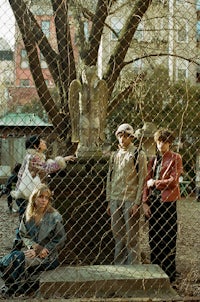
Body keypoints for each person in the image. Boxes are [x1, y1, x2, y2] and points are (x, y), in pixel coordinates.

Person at [0, 184, 66, 298]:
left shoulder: (55, 216)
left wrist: (43, 249)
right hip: (32, 252)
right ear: (34, 198)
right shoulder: (28, 215)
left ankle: (12, 288)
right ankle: (16, 288)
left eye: (46, 197)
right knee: (14, 258)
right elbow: (23, 234)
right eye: (41, 196)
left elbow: (61, 238)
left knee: (17, 260)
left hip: (48, 256)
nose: (44, 200)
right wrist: (34, 247)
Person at [13, 135, 75, 249]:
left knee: (28, 218)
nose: (44, 142)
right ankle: (18, 245)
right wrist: (62, 160)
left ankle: (24, 244)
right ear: (36, 146)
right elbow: (47, 168)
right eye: (41, 141)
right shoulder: (34, 157)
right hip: (27, 195)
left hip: (26, 194)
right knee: (26, 219)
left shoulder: (33, 156)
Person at [142, 128, 183, 283]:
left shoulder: (175, 158)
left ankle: (169, 275)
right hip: (154, 203)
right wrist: (145, 202)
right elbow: (145, 182)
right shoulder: (153, 160)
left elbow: (174, 180)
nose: (162, 144)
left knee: (168, 238)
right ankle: (155, 272)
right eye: (159, 141)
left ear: (169, 143)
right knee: (154, 238)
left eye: (165, 141)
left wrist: (156, 183)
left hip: (168, 203)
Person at [106, 123, 147, 265]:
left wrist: (137, 202)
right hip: (115, 198)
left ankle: (134, 267)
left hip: (130, 199)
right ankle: (120, 267)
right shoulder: (114, 155)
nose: (123, 139)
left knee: (132, 237)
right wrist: (109, 200)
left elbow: (142, 179)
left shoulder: (138, 154)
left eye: (126, 136)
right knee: (118, 236)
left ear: (131, 137)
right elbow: (109, 178)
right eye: (120, 136)